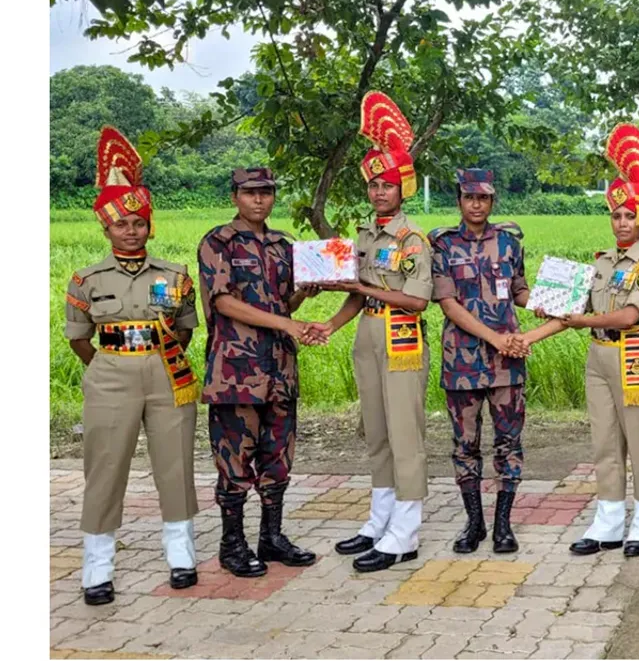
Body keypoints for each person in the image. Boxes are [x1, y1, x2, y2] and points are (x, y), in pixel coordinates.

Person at [66, 127, 202, 605]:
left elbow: (186, 328)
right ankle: (97, 568)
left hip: (167, 374)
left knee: (175, 463)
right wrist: (110, 365)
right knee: (105, 467)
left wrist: (156, 351)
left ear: (149, 226)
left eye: (138, 222)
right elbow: (80, 339)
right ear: (106, 229)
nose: (131, 230)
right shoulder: (85, 279)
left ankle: (181, 555)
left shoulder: (175, 275)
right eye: (121, 224)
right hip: (110, 374)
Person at [524, 124, 639, 558]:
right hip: (598, 357)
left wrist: (582, 317)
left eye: (629, 216)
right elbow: (571, 311)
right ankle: (607, 521)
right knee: (604, 442)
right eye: (616, 215)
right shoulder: (602, 262)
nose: (622, 222)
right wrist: (531, 331)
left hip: (635, 355)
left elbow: (629, 314)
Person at [320, 92, 434, 571]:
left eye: (387, 185)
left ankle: (405, 532)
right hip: (367, 334)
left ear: (402, 188)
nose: (379, 192)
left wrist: (362, 284)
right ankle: (379, 519)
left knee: (406, 433)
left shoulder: (412, 239)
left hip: (402, 336)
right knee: (377, 432)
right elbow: (357, 292)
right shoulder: (365, 236)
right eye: (373, 185)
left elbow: (415, 298)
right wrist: (328, 324)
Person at [198, 167, 323, 577]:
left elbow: (285, 303)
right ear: (235, 196)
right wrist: (286, 323)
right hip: (236, 371)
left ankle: (271, 538)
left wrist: (306, 290)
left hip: (280, 369)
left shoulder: (282, 244)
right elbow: (223, 302)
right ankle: (232, 545)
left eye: (266, 192)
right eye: (250, 192)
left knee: (278, 458)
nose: (258, 200)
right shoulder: (219, 242)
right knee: (234, 462)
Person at [430, 169, 531, 555]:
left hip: (508, 364)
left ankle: (504, 525)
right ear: (459, 200)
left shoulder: (508, 243)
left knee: (509, 442)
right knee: (465, 445)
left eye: (484, 198)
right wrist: (495, 339)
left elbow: (518, 290)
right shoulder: (443, 245)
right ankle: (474, 523)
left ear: (492, 201)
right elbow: (449, 304)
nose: (477, 204)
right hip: (463, 362)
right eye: (470, 198)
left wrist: (557, 301)